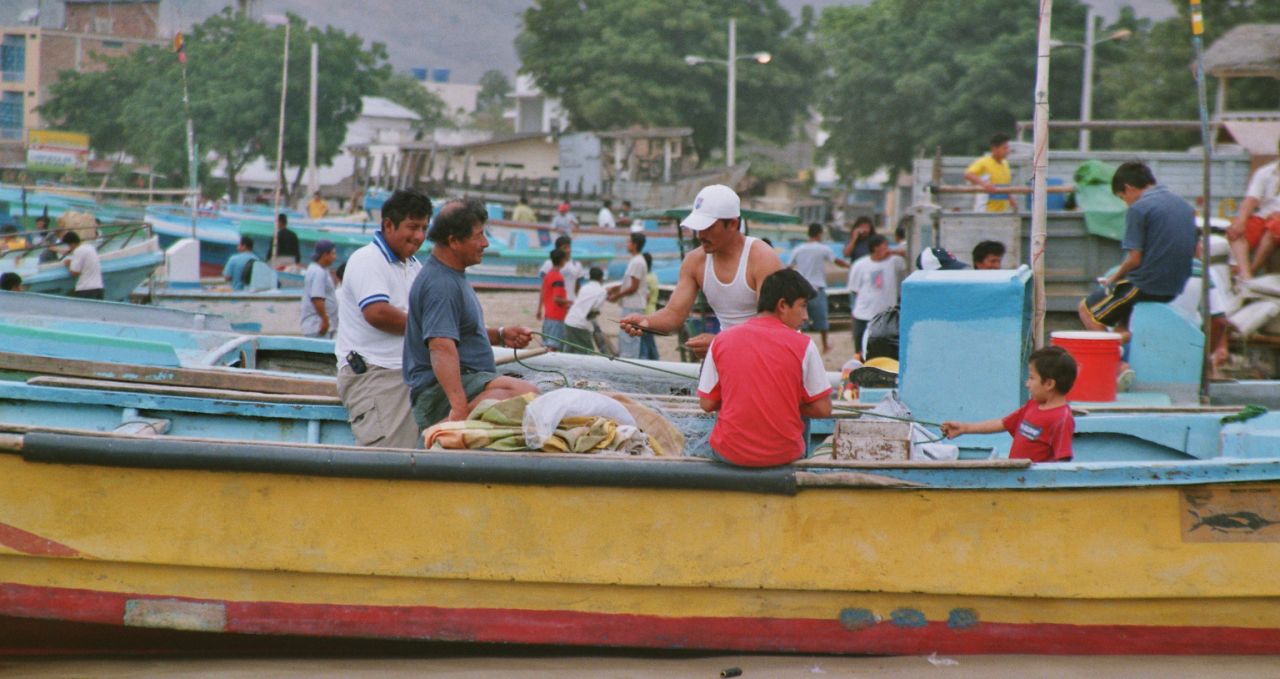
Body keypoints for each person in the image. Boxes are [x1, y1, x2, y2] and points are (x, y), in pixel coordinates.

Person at [404, 198, 538, 430]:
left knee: (524, 392)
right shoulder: (441, 285)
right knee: (526, 393)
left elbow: (456, 331)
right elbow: (440, 346)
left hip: (471, 380)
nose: (485, 243)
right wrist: (458, 408)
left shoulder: (451, 275)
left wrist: (500, 335)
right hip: (439, 394)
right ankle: (445, 428)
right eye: (479, 236)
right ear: (454, 241)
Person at [620, 184, 783, 358]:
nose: (700, 235)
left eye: (708, 227)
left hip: (765, 354)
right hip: (727, 352)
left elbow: (771, 326)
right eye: (698, 228)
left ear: (733, 224)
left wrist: (719, 343)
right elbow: (674, 314)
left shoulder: (762, 258)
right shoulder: (694, 261)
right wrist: (644, 321)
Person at [697, 269, 833, 467]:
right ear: (782, 305)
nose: (805, 316)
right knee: (802, 410)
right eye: (802, 306)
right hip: (784, 455)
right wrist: (785, 401)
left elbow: (706, 404)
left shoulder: (721, 340)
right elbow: (823, 409)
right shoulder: (803, 344)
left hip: (729, 453)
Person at [334, 189, 431, 449]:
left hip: (406, 374)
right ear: (388, 224)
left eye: (424, 227)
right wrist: (433, 329)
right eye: (412, 227)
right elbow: (377, 313)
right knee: (388, 462)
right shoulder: (368, 259)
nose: (419, 236)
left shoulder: (413, 266)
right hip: (376, 374)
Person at [1079, 161, 1197, 344]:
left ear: (1128, 188)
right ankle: (1122, 335)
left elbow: (1134, 259)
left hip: (1147, 285)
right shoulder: (1184, 206)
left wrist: (1113, 278)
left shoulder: (1139, 208)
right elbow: (1196, 250)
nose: (1125, 203)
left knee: (1087, 310)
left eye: (1121, 197)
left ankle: (1117, 364)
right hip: (1175, 286)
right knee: (1122, 313)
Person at [941, 346, 1077, 463]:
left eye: (1031, 378)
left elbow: (1062, 461)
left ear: (1049, 384)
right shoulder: (1032, 405)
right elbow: (1003, 423)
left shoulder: (1062, 419)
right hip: (1017, 480)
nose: (1027, 384)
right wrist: (964, 428)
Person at [789, 222, 850, 354]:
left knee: (801, 321)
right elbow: (836, 261)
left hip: (801, 290)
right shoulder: (823, 249)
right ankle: (825, 346)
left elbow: (789, 266)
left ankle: (800, 346)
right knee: (822, 320)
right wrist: (850, 266)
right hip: (817, 289)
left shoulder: (798, 249)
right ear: (819, 234)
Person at [1226, 139, 1280, 280]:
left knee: (1275, 227)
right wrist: (1241, 220)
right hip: (1264, 217)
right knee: (1236, 231)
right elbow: (1251, 199)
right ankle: (1245, 274)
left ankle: (1253, 270)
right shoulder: (1265, 173)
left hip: (1276, 222)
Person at [848, 234, 906, 356]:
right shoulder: (860, 265)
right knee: (860, 350)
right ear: (875, 248)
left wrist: (894, 251)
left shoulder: (895, 261)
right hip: (863, 314)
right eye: (884, 246)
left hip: (886, 315)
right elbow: (854, 288)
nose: (887, 249)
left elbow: (910, 254)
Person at [608, 232, 648, 358]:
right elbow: (629, 283)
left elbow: (634, 287)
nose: (627, 244)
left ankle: (628, 360)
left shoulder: (637, 262)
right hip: (631, 304)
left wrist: (617, 295)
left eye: (629, 242)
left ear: (634, 245)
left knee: (629, 337)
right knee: (627, 336)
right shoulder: (635, 261)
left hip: (633, 304)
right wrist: (615, 288)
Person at [964, 132, 1014, 213]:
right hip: (986, 211)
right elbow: (968, 174)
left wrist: (1011, 199)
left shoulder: (1005, 164)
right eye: (1004, 148)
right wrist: (984, 184)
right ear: (994, 148)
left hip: (1003, 211)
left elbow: (1005, 186)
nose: (1007, 151)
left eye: (1008, 148)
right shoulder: (983, 162)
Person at [564, 267, 607, 354]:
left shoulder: (584, 287)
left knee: (570, 352)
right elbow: (593, 312)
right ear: (601, 278)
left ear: (590, 277)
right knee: (586, 354)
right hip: (581, 325)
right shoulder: (602, 291)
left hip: (569, 320)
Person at [301, 239, 338, 338]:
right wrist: (325, 320)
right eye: (333, 254)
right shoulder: (318, 272)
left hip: (317, 325)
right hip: (318, 325)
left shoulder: (317, 269)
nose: (335, 257)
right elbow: (317, 298)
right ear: (325, 254)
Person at [539, 248, 571, 350]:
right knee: (553, 346)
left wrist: (539, 309)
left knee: (548, 344)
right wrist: (572, 302)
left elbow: (543, 292)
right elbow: (557, 299)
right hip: (556, 316)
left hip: (548, 315)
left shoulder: (548, 275)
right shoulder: (558, 278)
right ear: (562, 260)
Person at [537, 235, 585, 301]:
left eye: (569, 247)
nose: (568, 250)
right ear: (558, 249)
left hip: (571, 303)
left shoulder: (577, 265)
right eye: (565, 248)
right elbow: (544, 287)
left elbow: (578, 287)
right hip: (554, 304)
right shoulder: (549, 264)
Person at [60, 231, 103, 299]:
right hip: (99, 287)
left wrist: (68, 265)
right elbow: (85, 263)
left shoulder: (78, 251)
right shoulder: (90, 247)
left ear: (72, 244)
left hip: (86, 289)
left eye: (69, 246)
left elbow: (74, 273)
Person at [639, 252, 660, 360]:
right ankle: (655, 359)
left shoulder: (646, 278)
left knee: (645, 340)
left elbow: (646, 297)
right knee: (649, 339)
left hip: (646, 311)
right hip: (652, 310)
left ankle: (645, 359)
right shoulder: (653, 276)